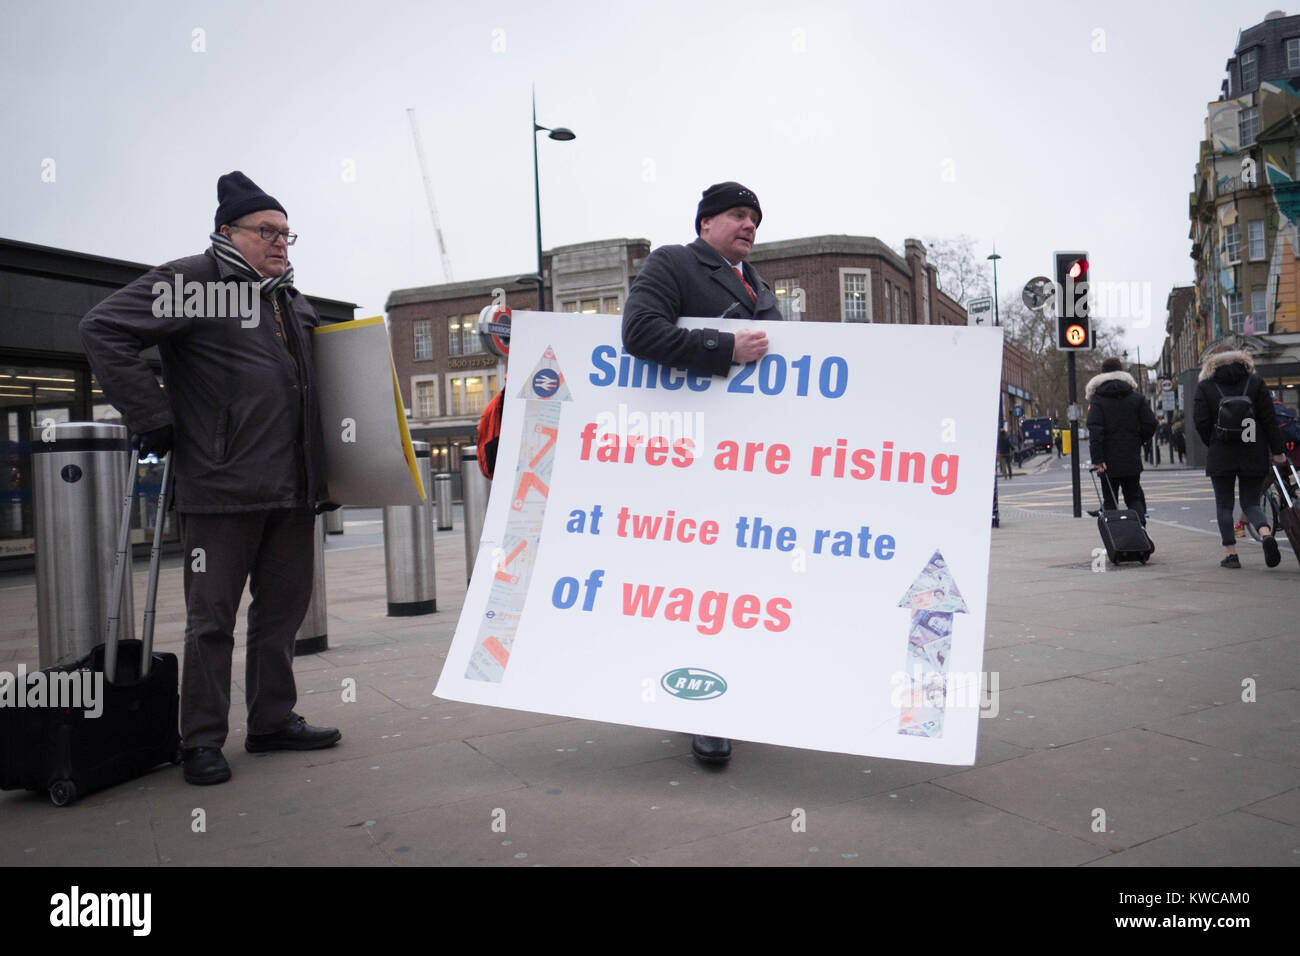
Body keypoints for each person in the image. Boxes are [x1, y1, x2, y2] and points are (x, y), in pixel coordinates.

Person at [81, 171, 341, 786]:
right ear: (228, 232)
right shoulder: (192, 282)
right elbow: (102, 328)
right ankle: (200, 738)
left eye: (287, 232)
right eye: (266, 231)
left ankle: (273, 721)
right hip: (220, 488)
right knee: (211, 621)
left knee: (281, 616)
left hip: (293, 488)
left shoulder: (290, 299)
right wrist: (153, 416)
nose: (281, 242)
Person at [622, 181, 781, 766]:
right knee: (701, 588)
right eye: (738, 215)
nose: (749, 226)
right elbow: (638, 333)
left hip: (753, 464)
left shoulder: (759, 285)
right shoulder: (672, 263)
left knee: (743, 588)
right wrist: (724, 349)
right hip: (689, 462)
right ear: (707, 221)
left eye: (755, 219)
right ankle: (704, 709)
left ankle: (737, 689)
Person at [1192, 348, 1288, 569]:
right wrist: (1277, 450)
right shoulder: (1254, 382)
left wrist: (1214, 441)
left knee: (1224, 505)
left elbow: (1201, 422)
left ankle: (1232, 555)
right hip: (1252, 450)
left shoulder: (1206, 386)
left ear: (1212, 363)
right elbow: (1268, 419)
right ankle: (1265, 534)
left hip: (1221, 452)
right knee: (1251, 502)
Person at [1085, 357, 1157, 523]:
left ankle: (1115, 540)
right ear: (1121, 372)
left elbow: (1095, 431)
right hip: (1131, 456)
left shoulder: (1098, 399)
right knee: (1133, 498)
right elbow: (1150, 423)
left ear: (1102, 374)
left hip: (1107, 461)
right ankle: (1140, 535)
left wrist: (1097, 459)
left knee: (1110, 501)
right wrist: (1139, 440)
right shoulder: (1136, 398)